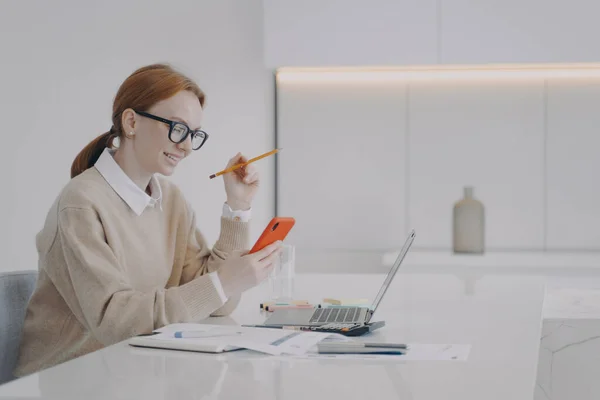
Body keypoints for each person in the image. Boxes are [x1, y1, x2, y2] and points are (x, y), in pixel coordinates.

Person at [15, 63, 282, 376]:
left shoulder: (170, 200)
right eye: (177, 128)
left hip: (134, 370)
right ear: (131, 122)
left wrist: (237, 208)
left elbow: (216, 302)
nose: (185, 146)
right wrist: (222, 283)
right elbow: (116, 322)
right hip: (67, 379)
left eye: (193, 134)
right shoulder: (81, 204)